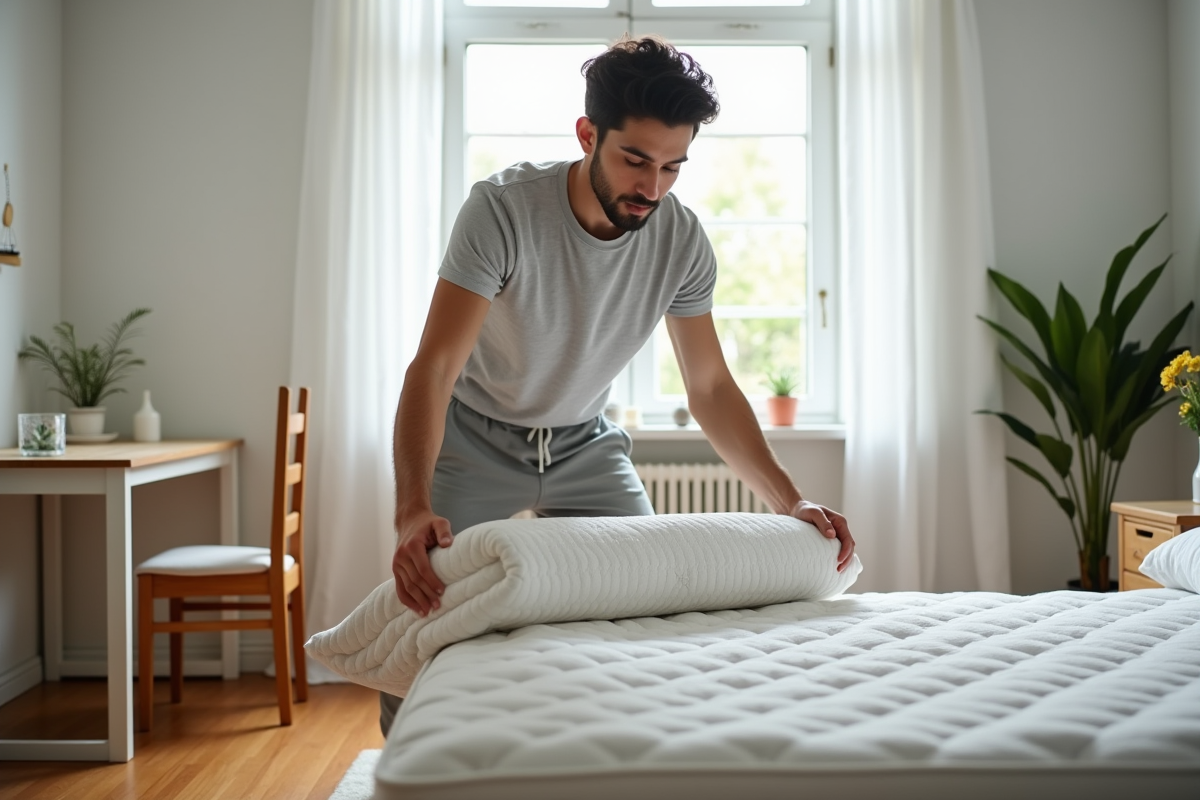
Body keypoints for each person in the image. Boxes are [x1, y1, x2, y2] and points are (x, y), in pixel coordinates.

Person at [381, 35, 854, 735]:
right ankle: (404, 761)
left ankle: (605, 746)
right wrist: (411, 509)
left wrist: (792, 501)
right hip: (474, 437)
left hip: (585, 445)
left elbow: (709, 387)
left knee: (644, 604)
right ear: (588, 135)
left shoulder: (681, 240)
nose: (652, 188)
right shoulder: (503, 209)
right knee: (424, 610)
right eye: (635, 160)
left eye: (672, 167)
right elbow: (435, 366)